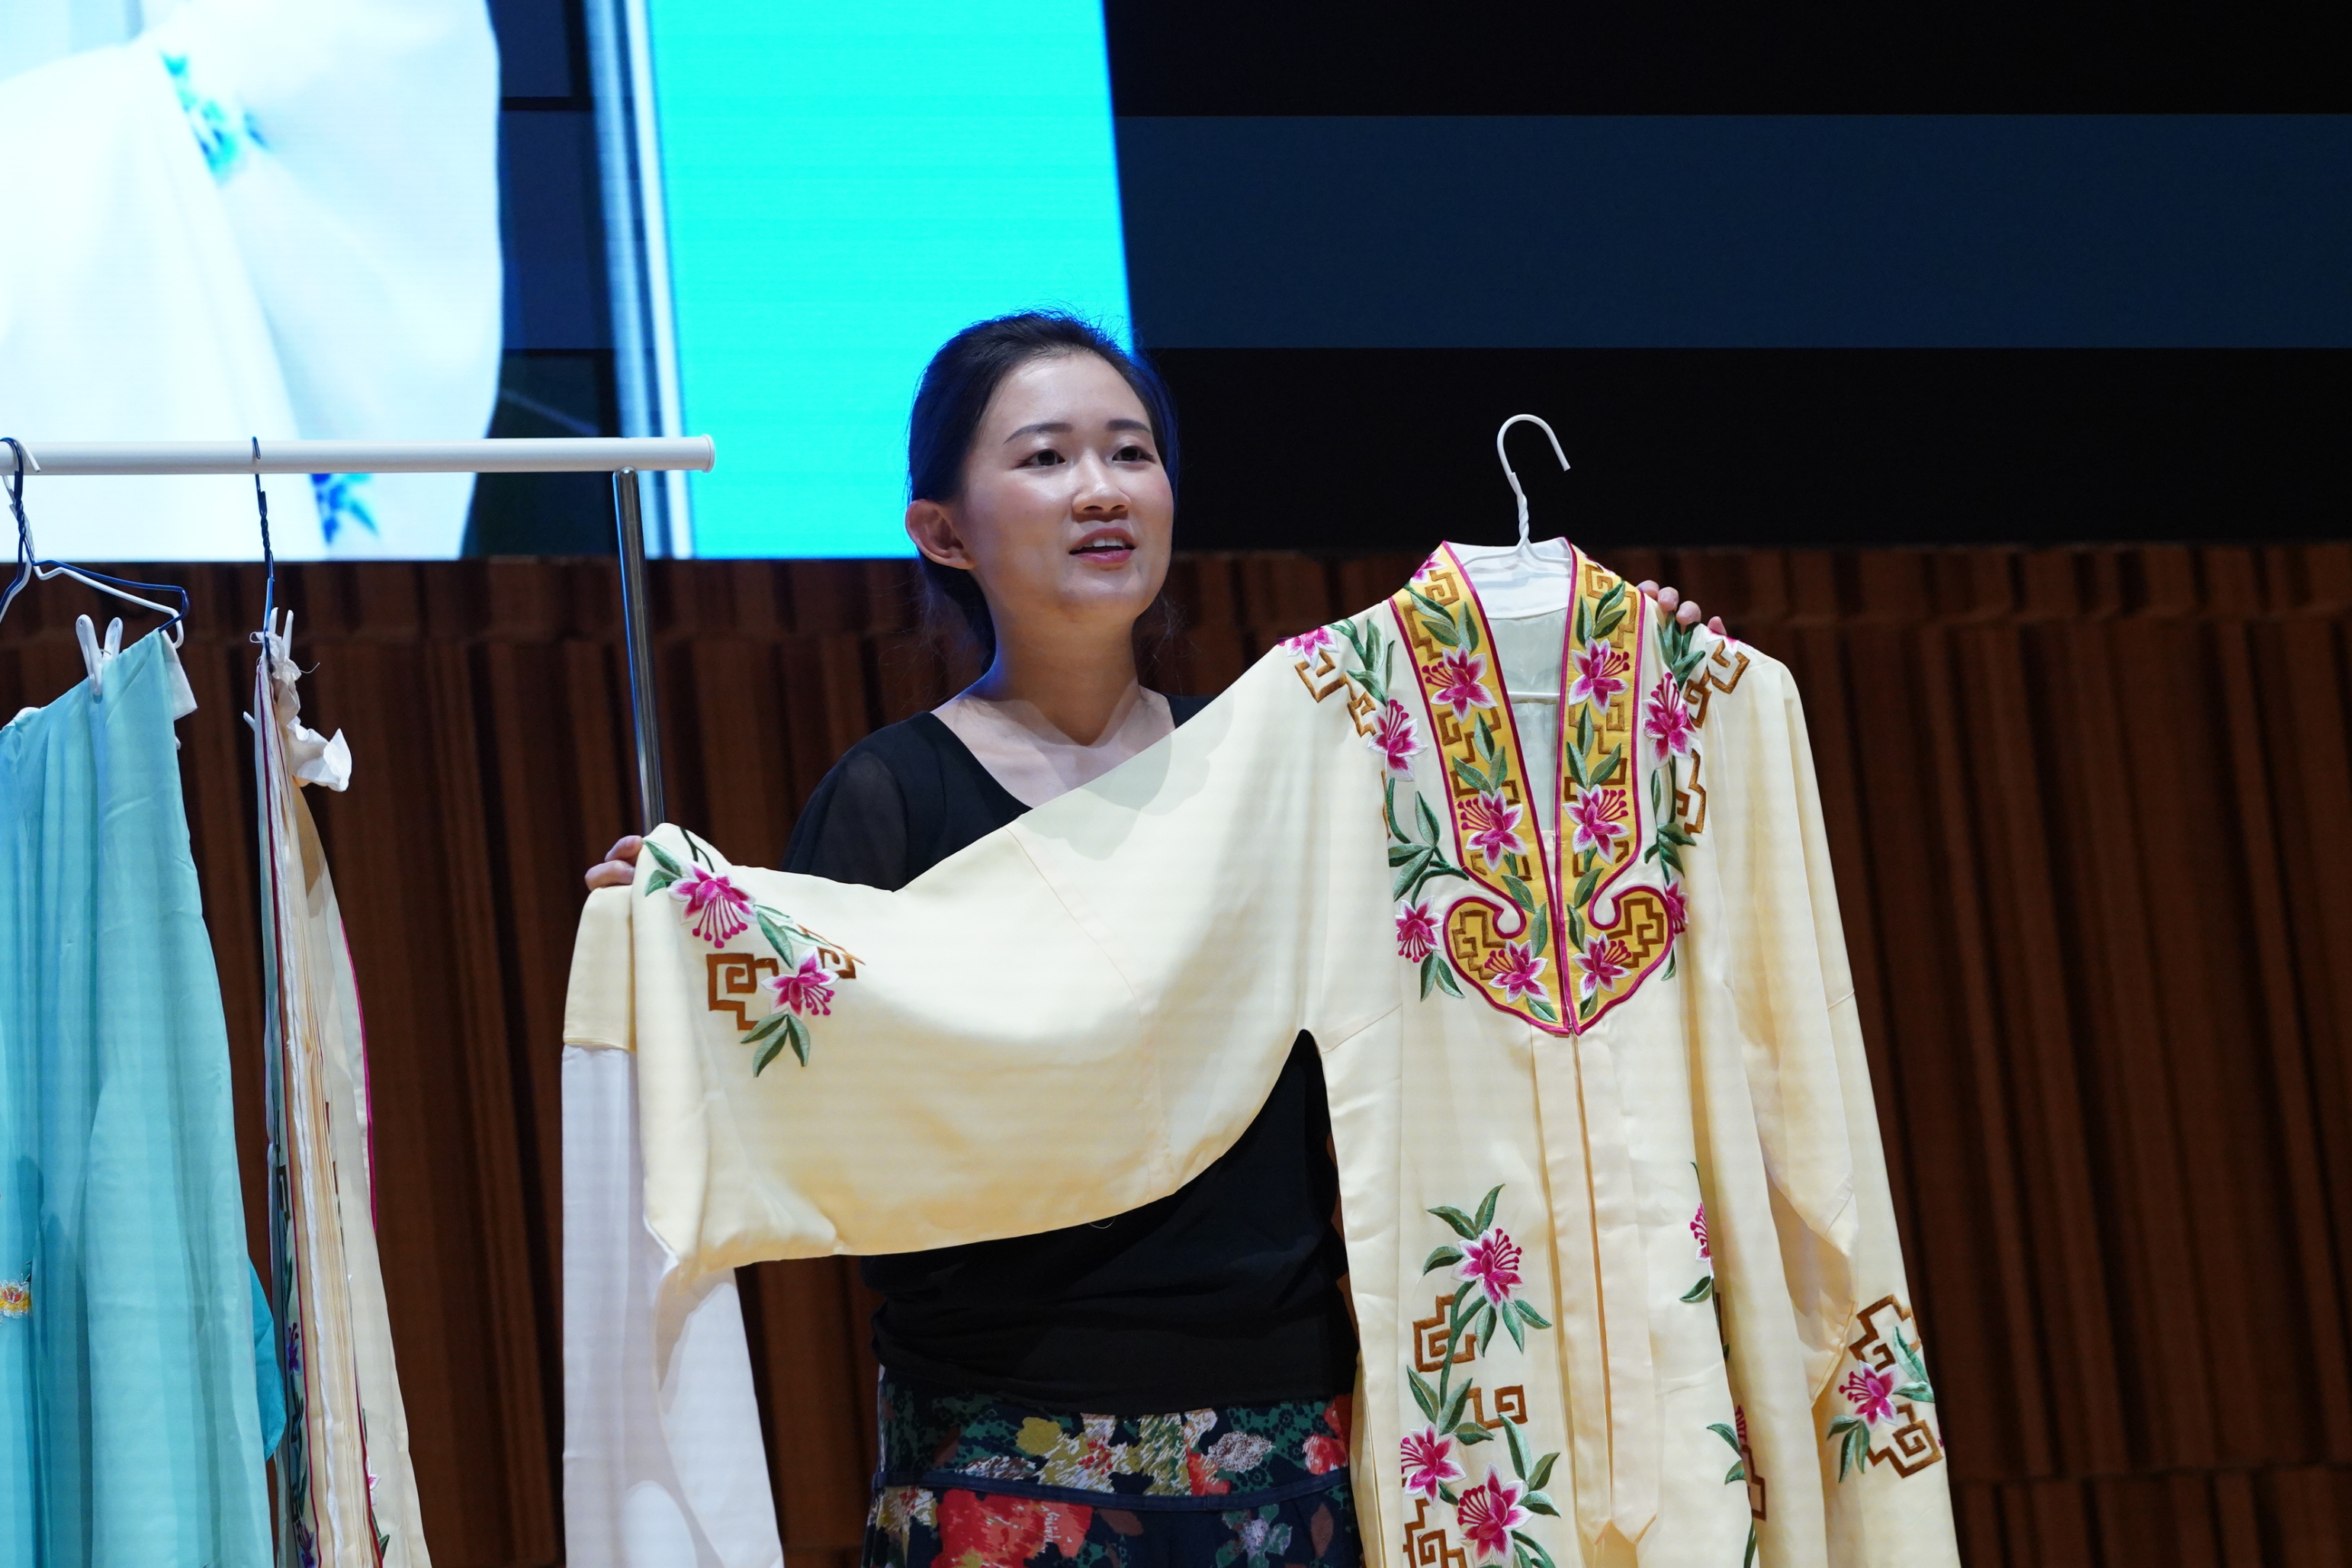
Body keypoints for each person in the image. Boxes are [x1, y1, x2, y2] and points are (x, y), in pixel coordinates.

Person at [583, 311, 1717, 1568]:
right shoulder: (889, 797)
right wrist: (682, 937)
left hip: (1287, 1445)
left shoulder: (1278, 766)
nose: (1099, 491)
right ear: (941, 531)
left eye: (1130, 453)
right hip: (996, 1451)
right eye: (1045, 457)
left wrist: (1617, 675)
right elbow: (822, 1105)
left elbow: (1495, 923)